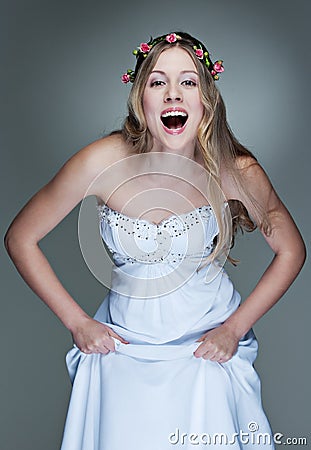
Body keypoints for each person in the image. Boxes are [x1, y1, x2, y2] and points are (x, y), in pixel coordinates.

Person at [4, 31, 306, 449]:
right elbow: (21, 237)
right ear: (139, 96)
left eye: (188, 82)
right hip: (123, 352)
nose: (172, 95)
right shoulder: (101, 160)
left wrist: (234, 330)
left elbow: (291, 250)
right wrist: (77, 322)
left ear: (206, 99)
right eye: (157, 82)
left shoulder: (236, 169)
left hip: (206, 352)